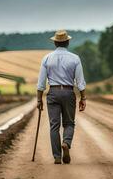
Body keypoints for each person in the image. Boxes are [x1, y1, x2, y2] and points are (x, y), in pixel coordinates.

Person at [37, 30, 87, 164]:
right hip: (68, 92)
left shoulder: (47, 58)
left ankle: (57, 156)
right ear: (68, 42)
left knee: (54, 126)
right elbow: (80, 81)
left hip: (53, 93)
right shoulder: (75, 58)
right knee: (69, 123)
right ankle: (66, 143)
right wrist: (83, 98)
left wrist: (39, 99)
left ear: (55, 42)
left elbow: (41, 83)